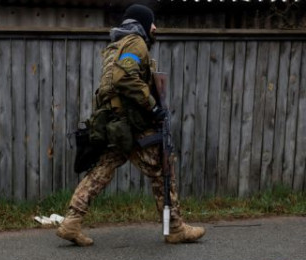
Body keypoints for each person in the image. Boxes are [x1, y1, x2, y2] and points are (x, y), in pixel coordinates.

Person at [57, 4, 205, 246]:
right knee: (162, 169)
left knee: (102, 170)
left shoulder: (115, 47)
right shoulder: (136, 42)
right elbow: (124, 77)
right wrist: (152, 106)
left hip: (116, 123)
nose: (155, 27)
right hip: (133, 124)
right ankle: (175, 228)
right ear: (142, 23)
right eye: (151, 22)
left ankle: (71, 222)